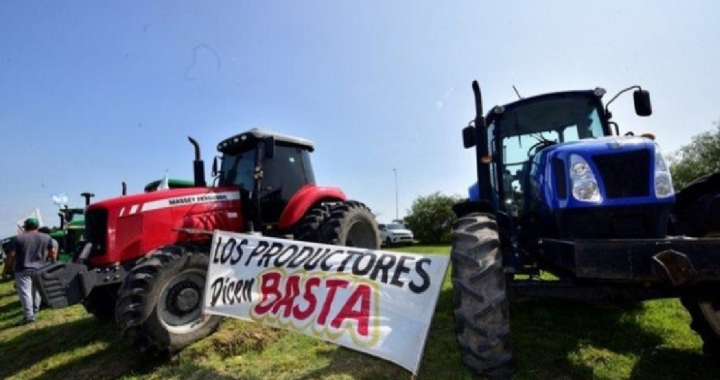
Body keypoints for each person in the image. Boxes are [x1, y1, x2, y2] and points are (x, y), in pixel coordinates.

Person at [5, 218, 56, 325]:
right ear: (37, 226)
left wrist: (6, 270)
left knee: (25, 293)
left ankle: (29, 316)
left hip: (23, 269)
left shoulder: (18, 238)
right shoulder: (46, 237)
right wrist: (53, 264)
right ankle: (35, 312)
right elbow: (52, 252)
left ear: (25, 227)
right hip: (40, 269)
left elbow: (11, 255)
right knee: (36, 291)